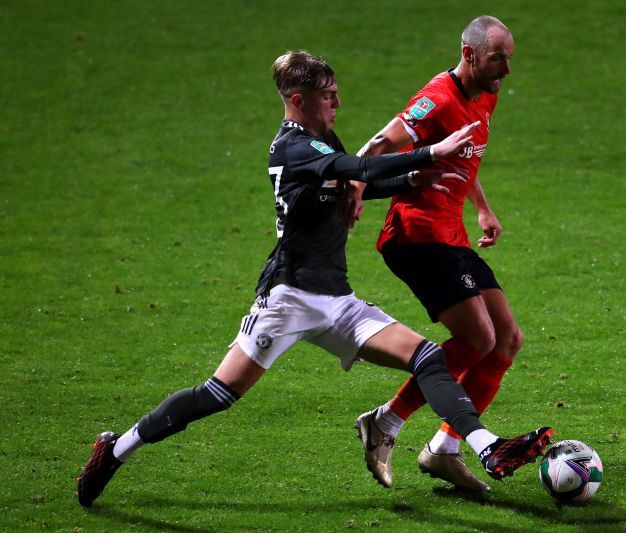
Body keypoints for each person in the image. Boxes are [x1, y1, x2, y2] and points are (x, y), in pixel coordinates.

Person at [75, 50, 552, 508]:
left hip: (337, 300)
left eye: (337, 92)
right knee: (217, 395)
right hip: (289, 299)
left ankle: (485, 446)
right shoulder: (295, 146)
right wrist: (429, 154)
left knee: (428, 358)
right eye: (327, 95)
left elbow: (353, 179)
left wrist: (408, 183)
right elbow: (359, 168)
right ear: (297, 99)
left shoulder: (321, 143)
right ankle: (116, 449)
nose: (337, 103)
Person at [348, 16, 530, 492]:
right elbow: (380, 145)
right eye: (498, 59)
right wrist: (351, 183)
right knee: (476, 340)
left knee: (506, 339)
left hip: (452, 236)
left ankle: (444, 450)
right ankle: (384, 423)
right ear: (469, 54)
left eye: (509, 59)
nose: (506, 71)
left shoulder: (485, 93)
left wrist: (483, 207)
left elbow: (466, 155)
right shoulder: (436, 99)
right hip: (416, 237)